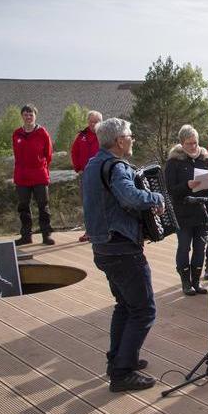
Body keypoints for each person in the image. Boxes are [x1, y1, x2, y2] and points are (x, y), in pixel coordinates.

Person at [82, 117, 163, 392]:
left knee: (125, 306)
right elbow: (130, 198)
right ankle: (122, 372)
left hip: (103, 246)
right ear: (119, 141)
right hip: (122, 248)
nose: (132, 139)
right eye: (130, 135)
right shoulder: (116, 167)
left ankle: (118, 358)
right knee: (144, 310)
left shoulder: (93, 164)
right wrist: (157, 199)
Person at [164, 124, 208, 297]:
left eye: (195, 143)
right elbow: (170, 189)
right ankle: (185, 282)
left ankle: (196, 281)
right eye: (189, 143)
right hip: (183, 212)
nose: (193, 147)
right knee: (184, 246)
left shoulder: (205, 159)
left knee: (200, 248)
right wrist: (187, 185)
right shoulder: (174, 162)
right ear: (181, 144)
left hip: (202, 212)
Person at [13, 104, 54, 246]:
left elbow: (48, 155)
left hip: (39, 175)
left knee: (43, 206)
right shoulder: (16, 134)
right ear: (22, 116)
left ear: (35, 116)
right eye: (25, 114)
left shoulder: (43, 133)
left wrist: (41, 166)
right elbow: (17, 155)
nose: (28, 117)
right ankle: (26, 236)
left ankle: (46, 235)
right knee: (23, 206)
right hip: (22, 176)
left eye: (31, 114)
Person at [71, 110, 103, 242]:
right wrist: (78, 168)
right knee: (88, 203)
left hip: (102, 174)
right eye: (91, 121)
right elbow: (74, 152)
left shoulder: (105, 136)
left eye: (96, 121)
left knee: (103, 202)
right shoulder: (81, 136)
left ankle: (103, 230)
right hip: (86, 175)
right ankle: (89, 231)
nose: (93, 124)